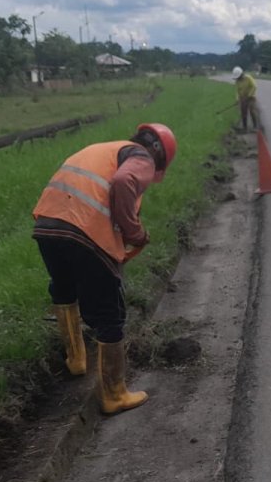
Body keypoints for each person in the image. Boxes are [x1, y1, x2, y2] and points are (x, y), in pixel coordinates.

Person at [31, 123, 177, 415]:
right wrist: (134, 233)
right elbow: (124, 183)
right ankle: (114, 394)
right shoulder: (142, 158)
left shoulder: (104, 148)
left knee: (64, 288)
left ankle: (76, 360)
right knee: (109, 312)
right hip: (84, 230)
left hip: (47, 225)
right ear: (159, 158)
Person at [232, 66, 261, 132]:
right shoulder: (237, 81)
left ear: (241, 74)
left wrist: (249, 96)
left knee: (251, 110)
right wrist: (237, 99)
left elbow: (254, 87)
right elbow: (237, 90)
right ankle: (245, 127)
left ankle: (255, 126)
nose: (238, 79)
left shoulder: (248, 78)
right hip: (242, 98)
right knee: (243, 112)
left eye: (238, 77)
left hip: (251, 97)